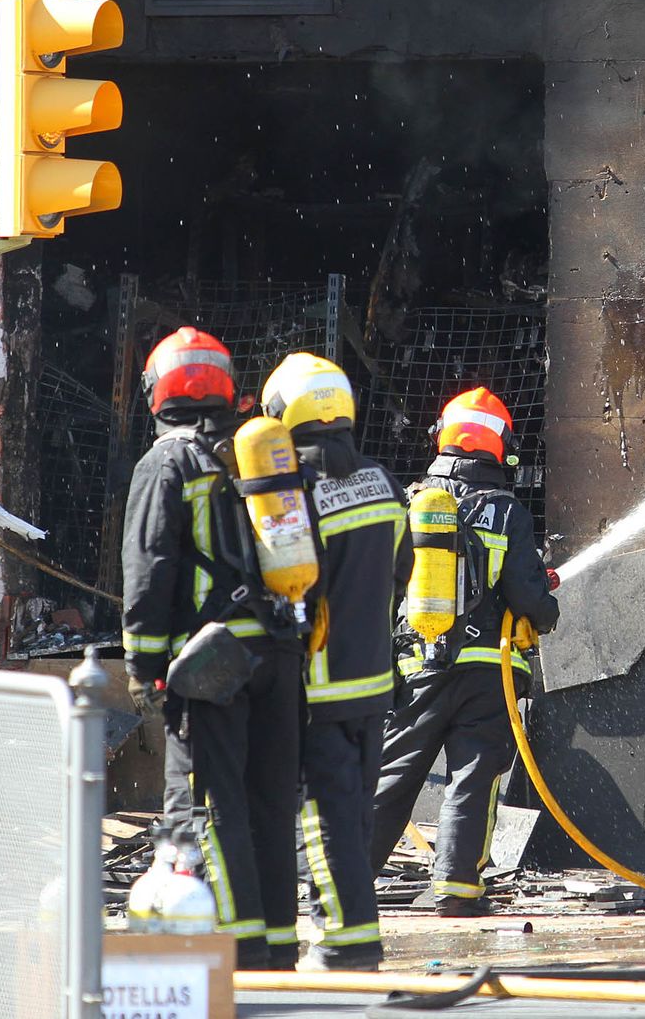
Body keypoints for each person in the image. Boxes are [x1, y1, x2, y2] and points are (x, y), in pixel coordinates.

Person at [120, 326, 305, 969]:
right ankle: (280, 948)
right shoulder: (257, 453)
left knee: (210, 806)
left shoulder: (166, 463)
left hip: (209, 664)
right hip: (279, 654)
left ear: (157, 393)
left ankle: (239, 948)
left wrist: (144, 666)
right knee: (271, 804)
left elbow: (150, 567)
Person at [370, 387, 560, 916]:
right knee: (474, 776)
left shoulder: (411, 503)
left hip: (416, 668)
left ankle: (345, 882)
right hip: (486, 674)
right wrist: (546, 609)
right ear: (503, 448)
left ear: (442, 440)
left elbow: (385, 590)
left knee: (394, 773)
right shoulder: (507, 512)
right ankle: (456, 889)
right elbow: (526, 597)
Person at [259, 353, 412, 972]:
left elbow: (284, 586)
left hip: (317, 686)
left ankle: (346, 943)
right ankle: (353, 934)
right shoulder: (384, 482)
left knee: (323, 819)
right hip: (374, 682)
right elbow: (400, 573)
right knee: (352, 815)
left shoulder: (294, 495)